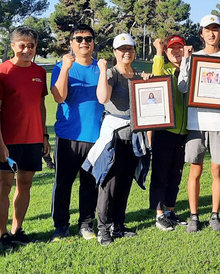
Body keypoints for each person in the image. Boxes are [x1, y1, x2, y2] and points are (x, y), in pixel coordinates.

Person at [177, 14, 220, 232]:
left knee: (217, 171)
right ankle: (194, 216)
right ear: (201, 33)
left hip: (219, 123)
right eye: (208, 29)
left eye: (216, 29)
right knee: (195, 171)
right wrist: (185, 60)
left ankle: (214, 215)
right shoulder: (194, 58)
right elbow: (183, 88)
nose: (212, 33)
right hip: (197, 123)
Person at [0, 26, 50, 249]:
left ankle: (17, 230)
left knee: (25, 185)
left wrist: (44, 135)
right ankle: (3, 234)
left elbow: (41, 105)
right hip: (9, 141)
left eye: (31, 45)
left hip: (33, 138)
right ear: (13, 46)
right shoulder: (1, 72)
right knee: (4, 186)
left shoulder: (40, 72)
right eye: (22, 45)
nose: (27, 49)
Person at [94, 33, 152, 245]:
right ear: (115, 52)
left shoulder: (138, 75)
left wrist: (147, 84)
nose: (126, 52)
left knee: (126, 181)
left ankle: (118, 225)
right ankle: (103, 228)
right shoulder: (111, 73)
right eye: (122, 49)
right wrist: (102, 71)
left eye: (130, 48)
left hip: (134, 136)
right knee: (109, 183)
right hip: (115, 135)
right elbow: (103, 98)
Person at [50, 24, 105, 241]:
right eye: (79, 38)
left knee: (90, 184)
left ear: (93, 43)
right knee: (63, 184)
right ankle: (61, 226)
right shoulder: (61, 67)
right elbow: (59, 97)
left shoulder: (101, 68)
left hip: (95, 137)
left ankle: (86, 224)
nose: (84, 42)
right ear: (71, 43)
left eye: (88, 39)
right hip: (68, 137)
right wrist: (65, 68)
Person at [150, 35, 189, 231]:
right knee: (160, 173)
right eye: (171, 49)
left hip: (184, 131)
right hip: (164, 130)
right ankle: (158, 214)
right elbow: (156, 79)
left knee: (176, 174)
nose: (175, 51)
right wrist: (158, 52)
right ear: (166, 52)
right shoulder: (163, 69)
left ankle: (170, 211)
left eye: (179, 48)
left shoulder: (190, 71)